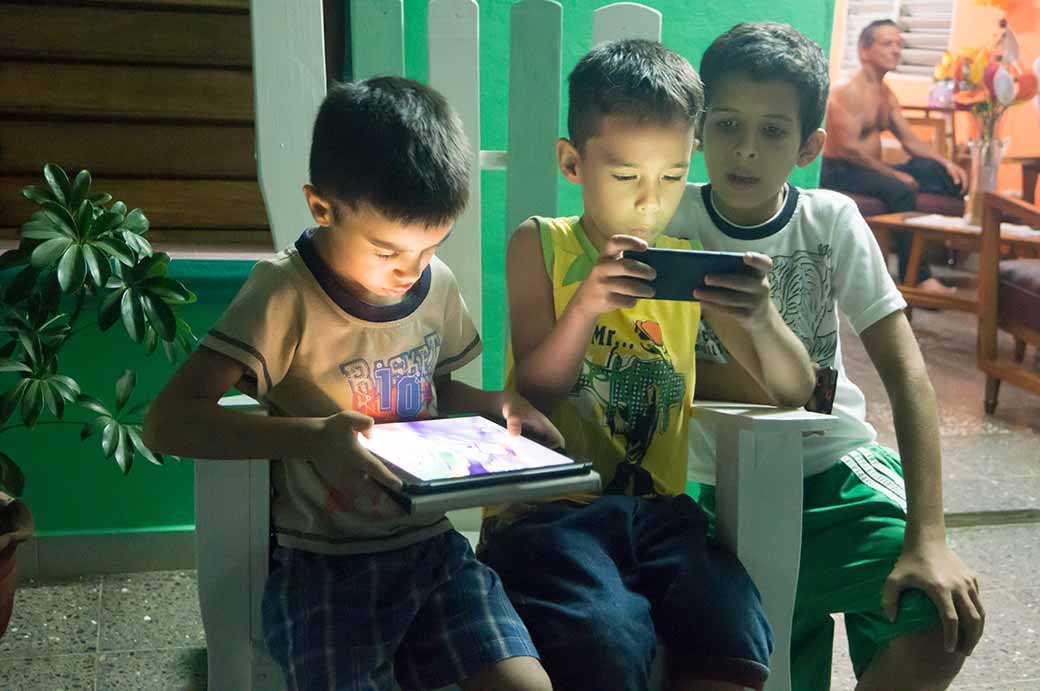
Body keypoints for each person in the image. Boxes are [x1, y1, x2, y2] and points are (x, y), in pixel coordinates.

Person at [143, 77, 558, 691]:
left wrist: (501, 405)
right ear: (321, 207)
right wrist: (317, 437)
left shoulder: (434, 284)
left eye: (430, 246)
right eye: (387, 249)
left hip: (432, 553)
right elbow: (170, 419)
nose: (409, 270)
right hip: (325, 565)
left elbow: (439, 392)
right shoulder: (285, 293)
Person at [479, 39, 816, 691]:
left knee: (733, 623)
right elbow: (537, 390)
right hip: (551, 512)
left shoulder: (689, 263)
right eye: (626, 175)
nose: (649, 200)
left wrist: (759, 317)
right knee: (603, 634)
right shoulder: (541, 244)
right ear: (572, 163)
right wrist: (587, 305)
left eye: (669, 176)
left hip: (662, 515)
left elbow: (794, 388)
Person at [668, 22, 985, 691]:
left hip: (833, 467)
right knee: (762, 657)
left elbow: (908, 378)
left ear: (810, 144)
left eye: (773, 132)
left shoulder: (831, 221)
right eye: (726, 125)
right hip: (707, 491)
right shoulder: (671, 224)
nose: (745, 150)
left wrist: (929, 535)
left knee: (941, 610)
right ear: (699, 128)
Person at [821, 18, 967, 295]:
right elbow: (846, 149)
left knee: (938, 174)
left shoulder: (885, 94)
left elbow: (910, 140)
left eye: (899, 44)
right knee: (900, 189)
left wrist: (947, 164)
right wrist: (893, 174)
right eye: (888, 43)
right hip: (840, 170)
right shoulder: (847, 90)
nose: (896, 50)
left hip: (870, 170)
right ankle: (917, 279)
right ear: (865, 50)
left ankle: (929, 261)